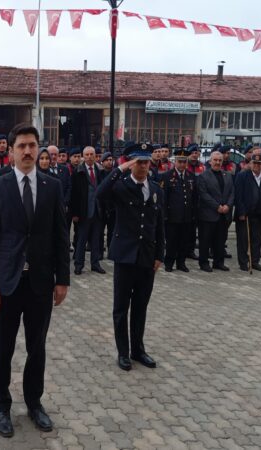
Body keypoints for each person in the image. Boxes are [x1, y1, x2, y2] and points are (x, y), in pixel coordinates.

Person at [0, 123, 69, 438]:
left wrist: (63, 279)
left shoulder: (52, 186)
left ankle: (34, 402)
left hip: (41, 283)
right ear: (11, 151)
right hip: (7, 283)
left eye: (32, 145)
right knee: (3, 348)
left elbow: (61, 235)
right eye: (22, 146)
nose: (28, 151)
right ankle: (1, 406)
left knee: (37, 347)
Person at [96, 142, 164, 371]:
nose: (143, 166)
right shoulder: (121, 186)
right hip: (125, 256)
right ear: (131, 163)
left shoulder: (155, 189)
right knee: (121, 307)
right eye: (139, 162)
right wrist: (120, 168)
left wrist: (159, 254)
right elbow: (100, 193)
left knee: (140, 306)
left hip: (146, 256)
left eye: (146, 162)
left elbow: (159, 225)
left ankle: (138, 349)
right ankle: (123, 352)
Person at [234, 149, 261, 271]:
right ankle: (243, 262)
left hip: (260, 215)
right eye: (254, 163)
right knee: (244, 240)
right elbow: (238, 196)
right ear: (250, 164)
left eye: (259, 163)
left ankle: (254, 261)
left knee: (257, 240)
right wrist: (241, 212)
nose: (256, 165)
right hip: (245, 215)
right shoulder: (242, 176)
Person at [196, 151, 234, 272]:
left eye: (220, 160)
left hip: (224, 214)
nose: (217, 162)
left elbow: (232, 192)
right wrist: (217, 206)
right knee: (205, 240)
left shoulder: (227, 175)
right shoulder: (203, 176)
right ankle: (204, 263)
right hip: (208, 214)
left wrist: (228, 205)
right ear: (210, 161)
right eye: (215, 160)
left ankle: (218, 262)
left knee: (220, 240)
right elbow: (203, 194)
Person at [160, 148, 196, 272]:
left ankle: (181, 263)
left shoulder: (191, 176)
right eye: (180, 162)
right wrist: (165, 215)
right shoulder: (167, 176)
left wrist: (193, 214)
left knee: (184, 241)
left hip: (186, 216)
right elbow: (163, 198)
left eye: (184, 162)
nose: (182, 164)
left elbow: (194, 197)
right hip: (172, 216)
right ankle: (169, 263)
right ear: (175, 162)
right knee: (171, 241)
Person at [71, 146, 105, 275]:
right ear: (83, 157)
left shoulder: (100, 170)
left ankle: (95, 264)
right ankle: (78, 264)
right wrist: (75, 213)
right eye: (87, 155)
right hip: (84, 211)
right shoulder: (78, 172)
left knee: (96, 239)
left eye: (92, 154)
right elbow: (74, 194)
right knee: (82, 239)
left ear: (95, 156)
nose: (89, 157)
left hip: (97, 210)